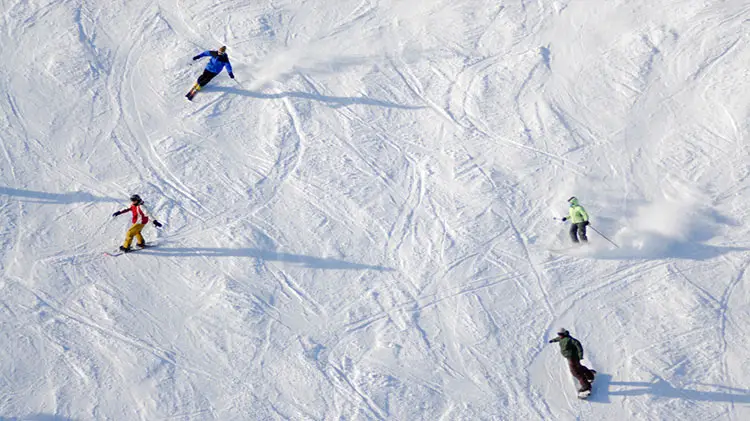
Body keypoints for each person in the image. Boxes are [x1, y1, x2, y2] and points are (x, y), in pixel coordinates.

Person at [549, 328, 596, 392]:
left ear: (564, 333)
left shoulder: (570, 340)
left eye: (560, 334)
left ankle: (586, 386)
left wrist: (580, 355)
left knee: (576, 372)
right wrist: (553, 340)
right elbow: (558, 338)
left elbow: (578, 346)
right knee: (579, 367)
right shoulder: (561, 337)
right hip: (570, 357)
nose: (559, 335)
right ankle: (590, 375)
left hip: (572, 357)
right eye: (558, 334)